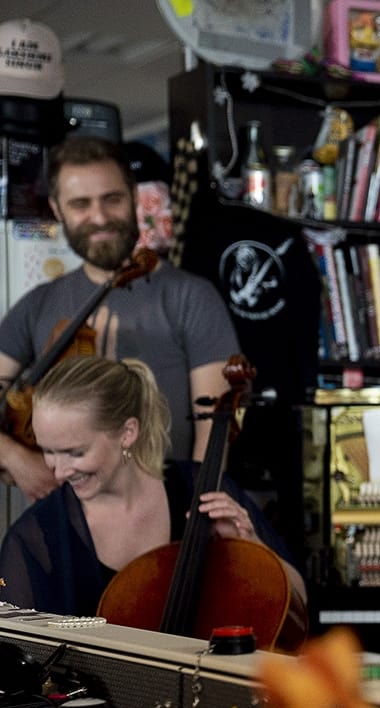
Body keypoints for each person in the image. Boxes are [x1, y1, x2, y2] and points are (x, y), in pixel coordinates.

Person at [0, 135, 241, 501]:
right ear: (57, 208)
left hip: (163, 513)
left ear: (132, 197)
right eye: (81, 204)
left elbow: (214, 436)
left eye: (111, 199)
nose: (99, 217)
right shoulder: (38, 304)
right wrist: (16, 458)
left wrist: (195, 514)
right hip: (66, 524)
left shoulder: (191, 297)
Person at [0, 354, 303, 616]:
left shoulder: (202, 488)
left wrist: (252, 544)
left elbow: (299, 599)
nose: (59, 472)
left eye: (75, 452)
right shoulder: (35, 537)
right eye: (48, 451)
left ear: (127, 432)